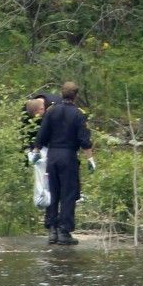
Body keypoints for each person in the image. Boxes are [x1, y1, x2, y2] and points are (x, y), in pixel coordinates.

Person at [31, 81, 95, 245]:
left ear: (62, 94)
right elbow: (84, 140)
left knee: (53, 191)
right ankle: (64, 232)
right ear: (76, 96)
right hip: (68, 156)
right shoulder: (78, 114)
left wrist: (36, 152)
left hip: (52, 156)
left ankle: (52, 230)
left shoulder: (51, 111)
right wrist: (90, 159)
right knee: (68, 193)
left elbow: (42, 134)